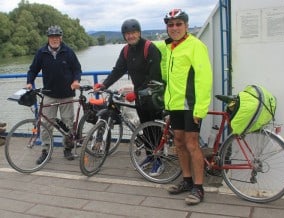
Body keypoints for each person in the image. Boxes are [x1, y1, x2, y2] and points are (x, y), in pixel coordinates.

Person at [156, 9, 213, 205]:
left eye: (179, 24)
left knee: (191, 144)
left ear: (186, 26)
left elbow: (204, 78)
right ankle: (187, 181)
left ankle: (198, 188)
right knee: (179, 142)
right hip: (176, 104)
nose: (174, 28)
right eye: (170, 25)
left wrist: (200, 109)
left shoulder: (195, 46)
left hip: (191, 105)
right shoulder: (170, 47)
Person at [94, 19, 164, 176]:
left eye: (133, 33)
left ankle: (159, 161)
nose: (130, 36)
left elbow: (155, 78)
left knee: (154, 128)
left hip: (153, 95)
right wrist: (104, 85)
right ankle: (150, 156)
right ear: (124, 36)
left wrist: (137, 93)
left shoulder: (149, 48)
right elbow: (118, 70)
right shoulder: (126, 51)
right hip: (140, 95)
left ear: (139, 32)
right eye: (127, 34)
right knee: (145, 127)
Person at [26, 25, 82, 163]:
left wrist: (76, 80)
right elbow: (33, 70)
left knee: (67, 123)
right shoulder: (41, 52)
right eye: (52, 37)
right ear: (48, 38)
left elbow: (77, 69)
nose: (55, 39)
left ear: (61, 38)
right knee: (46, 124)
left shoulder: (68, 52)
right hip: (49, 94)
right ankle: (46, 151)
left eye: (57, 37)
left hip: (67, 94)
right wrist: (29, 82)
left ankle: (67, 148)